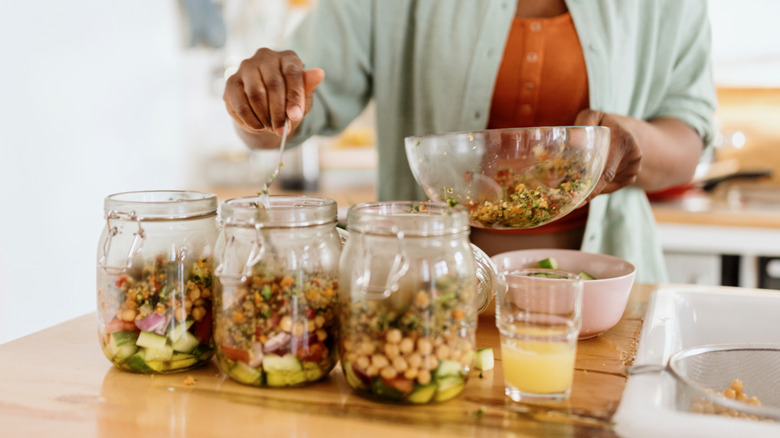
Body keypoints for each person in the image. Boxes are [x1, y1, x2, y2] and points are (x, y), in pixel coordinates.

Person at [222, 0, 717, 283]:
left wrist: (633, 144)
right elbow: (291, 110)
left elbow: (688, 138)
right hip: (419, 290)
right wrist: (260, 100)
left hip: (605, 294)